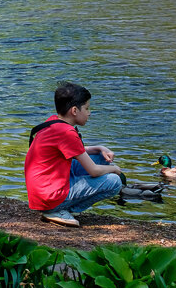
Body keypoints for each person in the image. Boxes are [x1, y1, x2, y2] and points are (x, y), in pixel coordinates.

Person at [23, 81, 123, 227]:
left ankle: (58, 206)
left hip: (42, 189)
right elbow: (94, 171)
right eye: (87, 108)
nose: (89, 113)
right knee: (115, 182)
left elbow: (75, 150)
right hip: (50, 196)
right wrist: (114, 169)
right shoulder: (67, 133)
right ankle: (59, 209)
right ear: (75, 111)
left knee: (100, 157)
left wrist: (100, 148)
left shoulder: (54, 123)